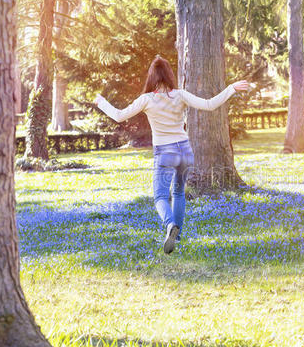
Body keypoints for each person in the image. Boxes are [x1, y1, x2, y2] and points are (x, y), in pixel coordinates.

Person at [94, 56, 249, 254]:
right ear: (169, 75)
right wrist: (231, 88)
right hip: (185, 150)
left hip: (165, 151)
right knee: (178, 193)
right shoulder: (180, 95)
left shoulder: (147, 99)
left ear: (151, 76)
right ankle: (177, 236)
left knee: (160, 196)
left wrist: (101, 101)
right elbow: (209, 104)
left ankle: (169, 226)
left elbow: (118, 115)